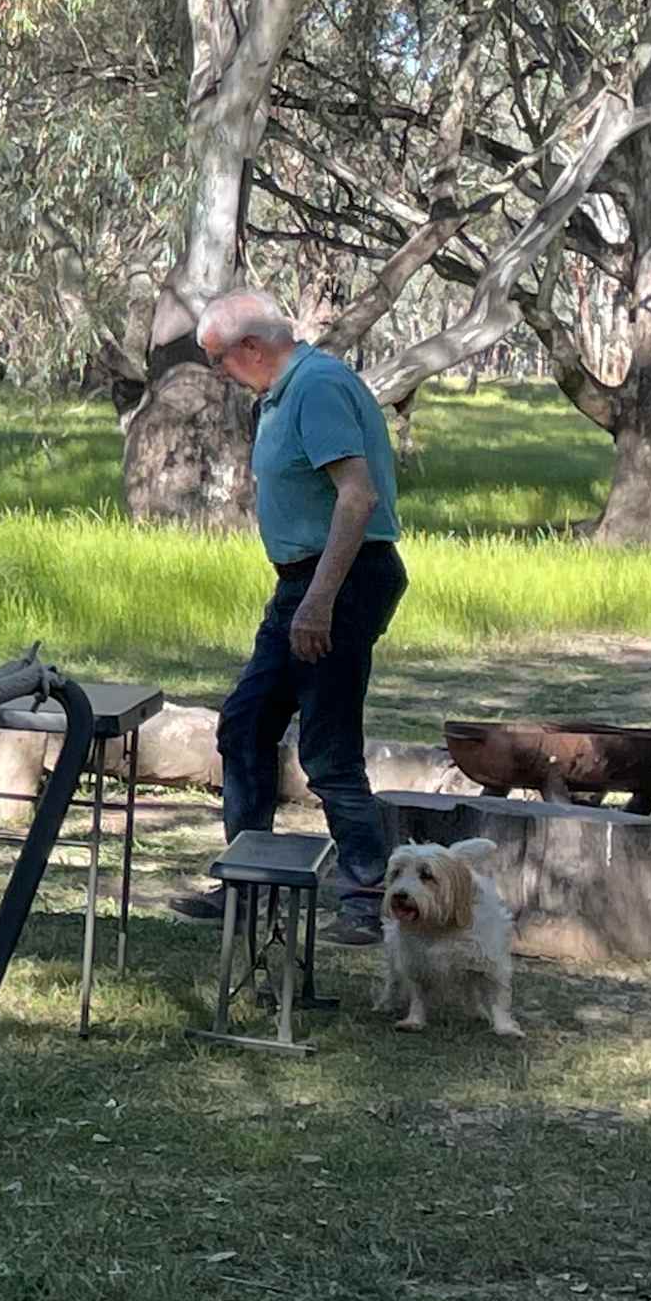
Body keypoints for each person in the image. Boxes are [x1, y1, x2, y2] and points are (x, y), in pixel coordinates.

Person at [184, 292, 407, 945]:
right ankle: (247, 886)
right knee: (247, 723)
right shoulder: (282, 396)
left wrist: (320, 600)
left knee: (328, 748)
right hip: (302, 583)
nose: (224, 373)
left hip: (341, 579)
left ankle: (367, 899)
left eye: (221, 359)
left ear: (250, 348)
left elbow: (358, 496)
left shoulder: (317, 387)